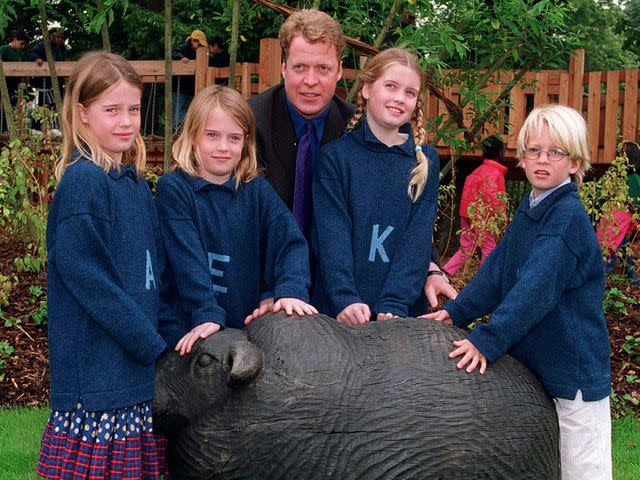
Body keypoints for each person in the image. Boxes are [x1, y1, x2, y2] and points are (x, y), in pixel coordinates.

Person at [424, 104, 612, 480]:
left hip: (573, 378)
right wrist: (457, 312)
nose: (543, 160)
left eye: (556, 152)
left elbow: (534, 291)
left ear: (575, 163)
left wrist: (487, 340)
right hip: (539, 370)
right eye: (534, 151)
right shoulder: (532, 208)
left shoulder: (566, 219)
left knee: (581, 472)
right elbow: (498, 272)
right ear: (522, 158)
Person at [249, 9, 455, 308]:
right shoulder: (250, 124)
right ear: (283, 68)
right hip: (265, 283)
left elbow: (400, 205)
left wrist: (432, 267)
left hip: (335, 289)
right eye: (300, 67)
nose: (310, 80)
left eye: (322, 68)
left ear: (338, 71)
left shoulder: (357, 128)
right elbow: (235, 216)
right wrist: (265, 290)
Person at [36, 52, 166, 479]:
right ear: (82, 113)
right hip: (96, 379)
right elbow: (91, 281)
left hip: (130, 372)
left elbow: (153, 271)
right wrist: (149, 343)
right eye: (112, 110)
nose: (126, 121)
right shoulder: (83, 183)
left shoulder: (133, 185)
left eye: (132, 109)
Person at [156, 85, 317, 355]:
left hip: (244, 331)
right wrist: (205, 313)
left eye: (234, 138)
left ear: (246, 143)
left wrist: (289, 290)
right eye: (212, 135)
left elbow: (290, 241)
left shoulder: (256, 189)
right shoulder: (174, 189)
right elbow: (187, 262)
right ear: (192, 136)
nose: (223, 147)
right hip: (191, 331)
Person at [312, 48, 440, 324]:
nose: (399, 99)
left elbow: (417, 241)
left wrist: (396, 301)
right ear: (367, 88)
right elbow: (332, 234)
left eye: (410, 92)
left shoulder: (425, 161)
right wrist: (344, 298)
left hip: (398, 313)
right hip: (339, 313)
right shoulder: (335, 158)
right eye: (390, 86)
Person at [443, 135, 508, 275]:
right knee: (488, 248)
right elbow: (493, 198)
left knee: (467, 247)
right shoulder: (494, 173)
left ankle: (446, 272)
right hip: (483, 217)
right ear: (500, 152)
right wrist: (500, 217)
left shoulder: (476, 171)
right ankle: (483, 281)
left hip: (467, 213)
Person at [596, 140, 640, 285]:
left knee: (624, 250)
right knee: (607, 263)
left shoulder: (614, 179)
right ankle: (595, 285)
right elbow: (636, 205)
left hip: (610, 226)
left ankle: (633, 278)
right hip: (615, 229)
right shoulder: (633, 180)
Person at [172, 29, 207, 130]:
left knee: (188, 108)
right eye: (199, 44)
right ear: (193, 41)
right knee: (179, 106)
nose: (200, 46)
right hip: (179, 85)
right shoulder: (183, 48)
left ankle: (184, 128)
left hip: (190, 86)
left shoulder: (198, 51)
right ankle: (177, 129)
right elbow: (175, 53)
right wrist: (181, 57)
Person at [0, 30, 29, 129]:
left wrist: (25, 81)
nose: (23, 46)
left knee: (13, 109)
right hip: (3, 85)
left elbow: (25, 69)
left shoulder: (21, 54)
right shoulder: (4, 49)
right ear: (15, 39)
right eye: (21, 43)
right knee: (3, 108)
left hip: (14, 87)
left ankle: (9, 130)